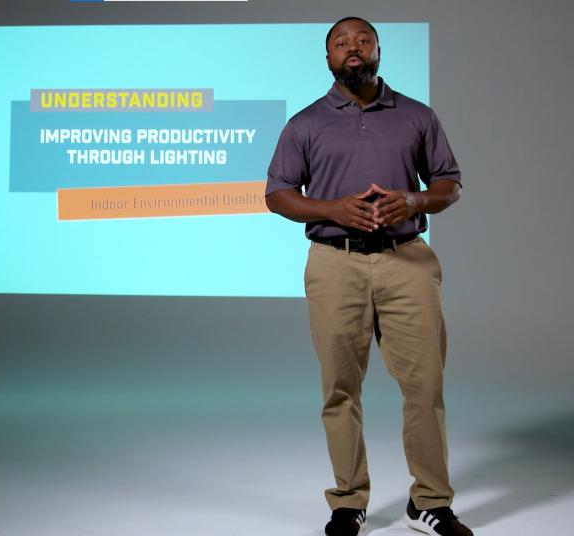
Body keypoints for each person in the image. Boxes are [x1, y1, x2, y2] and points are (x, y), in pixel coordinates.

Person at [265, 16, 473, 536]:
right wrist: (332, 209)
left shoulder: (417, 116)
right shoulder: (305, 123)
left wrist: (416, 199)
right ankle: (348, 501)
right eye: (341, 43)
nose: (351, 48)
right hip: (336, 264)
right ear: (328, 58)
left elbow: (450, 183)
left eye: (363, 40)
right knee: (340, 387)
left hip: (408, 260)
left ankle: (429, 501)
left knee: (424, 385)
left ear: (379, 51)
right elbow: (277, 193)